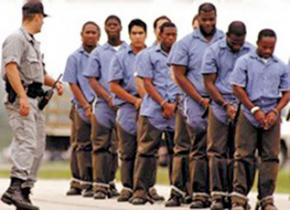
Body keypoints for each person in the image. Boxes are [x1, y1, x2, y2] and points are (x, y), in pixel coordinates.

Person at [0, 1, 63, 210]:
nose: (43, 23)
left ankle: (24, 192)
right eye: (42, 18)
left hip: (35, 101)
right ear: (37, 17)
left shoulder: (33, 43)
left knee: (37, 146)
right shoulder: (15, 39)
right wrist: (22, 97)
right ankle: (14, 188)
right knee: (26, 142)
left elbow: (38, 74)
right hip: (22, 100)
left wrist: (54, 82)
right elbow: (11, 69)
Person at [168, 2, 224, 208]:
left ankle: (218, 193)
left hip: (219, 100)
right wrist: (201, 100)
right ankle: (198, 193)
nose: (208, 23)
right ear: (197, 19)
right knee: (197, 146)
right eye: (205, 20)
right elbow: (179, 75)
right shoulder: (185, 43)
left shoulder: (225, 40)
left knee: (218, 148)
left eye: (212, 19)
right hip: (195, 99)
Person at [230, 29, 290, 210]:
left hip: (271, 116)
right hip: (249, 114)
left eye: (271, 47)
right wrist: (254, 110)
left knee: (270, 157)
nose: (267, 51)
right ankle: (239, 198)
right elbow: (237, 88)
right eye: (264, 47)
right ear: (257, 43)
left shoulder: (280, 65)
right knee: (244, 155)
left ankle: (266, 199)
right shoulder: (245, 62)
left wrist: (275, 111)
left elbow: (287, 92)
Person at [202, 21, 253, 210]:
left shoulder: (251, 51)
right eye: (234, 42)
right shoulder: (214, 51)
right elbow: (208, 82)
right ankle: (218, 195)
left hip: (243, 105)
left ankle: (238, 196)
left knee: (241, 153)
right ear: (228, 37)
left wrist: (243, 105)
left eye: (241, 42)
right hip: (219, 104)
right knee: (216, 151)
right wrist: (225, 105)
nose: (238, 45)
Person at [130, 22, 179, 205]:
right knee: (146, 152)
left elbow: (182, 79)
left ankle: (179, 190)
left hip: (176, 111)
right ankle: (141, 191)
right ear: (159, 34)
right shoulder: (147, 55)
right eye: (168, 35)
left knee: (179, 152)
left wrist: (173, 104)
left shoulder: (181, 54)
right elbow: (147, 83)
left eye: (174, 35)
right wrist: (163, 103)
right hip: (153, 110)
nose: (171, 38)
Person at [83, 15, 127, 199]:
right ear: (105, 29)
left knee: (119, 147)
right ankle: (99, 185)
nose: (112, 28)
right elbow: (92, 79)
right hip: (103, 105)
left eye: (115, 25)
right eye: (109, 25)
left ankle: (111, 183)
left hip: (125, 105)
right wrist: (108, 97)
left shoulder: (129, 49)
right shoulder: (98, 53)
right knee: (100, 144)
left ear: (120, 27)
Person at [108, 19, 146, 202]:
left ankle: (145, 187)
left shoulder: (151, 54)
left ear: (146, 35)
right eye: (134, 33)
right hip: (127, 107)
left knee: (145, 150)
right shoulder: (121, 56)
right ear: (129, 35)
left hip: (149, 107)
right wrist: (133, 100)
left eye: (141, 33)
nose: (138, 36)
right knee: (127, 149)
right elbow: (114, 86)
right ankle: (127, 186)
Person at [63, 21, 100, 197]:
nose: (91, 35)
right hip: (80, 105)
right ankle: (79, 181)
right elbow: (73, 83)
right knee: (80, 145)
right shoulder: (74, 58)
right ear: (81, 34)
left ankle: (100, 181)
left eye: (94, 32)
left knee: (102, 145)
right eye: (88, 32)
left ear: (99, 36)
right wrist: (85, 105)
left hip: (101, 106)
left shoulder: (105, 55)